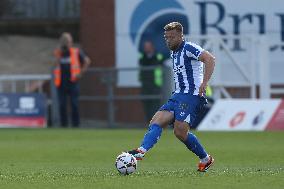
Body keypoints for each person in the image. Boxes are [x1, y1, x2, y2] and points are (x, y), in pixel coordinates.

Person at [127, 22, 216, 172]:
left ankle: (206, 159)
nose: (169, 40)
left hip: (191, 95)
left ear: (181, 36)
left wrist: (204, 82)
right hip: (177, 95)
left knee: (180, 131)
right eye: (166, 37)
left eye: (172, 37)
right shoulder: (174, 51)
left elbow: (210, 59)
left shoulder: (189, 48)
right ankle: (141, 151)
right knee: (156, 120)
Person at [53, 32, 91, 127]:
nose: (66, 43)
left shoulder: (76, 52)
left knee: (74, 104)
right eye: (64, 41)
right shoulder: (58, 53)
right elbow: (54, 65)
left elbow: (87, 61)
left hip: (73, 82)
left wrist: (80, 73)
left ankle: (76, 125)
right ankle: (64, 125)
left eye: (67, 41)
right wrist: (60, 52)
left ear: (71, 42)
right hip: (61, 83)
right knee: (62, 105)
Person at [139, 40, 164, 122]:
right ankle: (148, 122)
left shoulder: (158, 56)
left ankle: (156, 122)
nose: (146, 48)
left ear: (152, 47)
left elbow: (160, 64)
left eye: (148, 46)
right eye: (145, 47)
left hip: (155, 85)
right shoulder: (142, 57)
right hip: (145, 85)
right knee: (146, 104)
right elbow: (142, 64)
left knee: (155, 104)